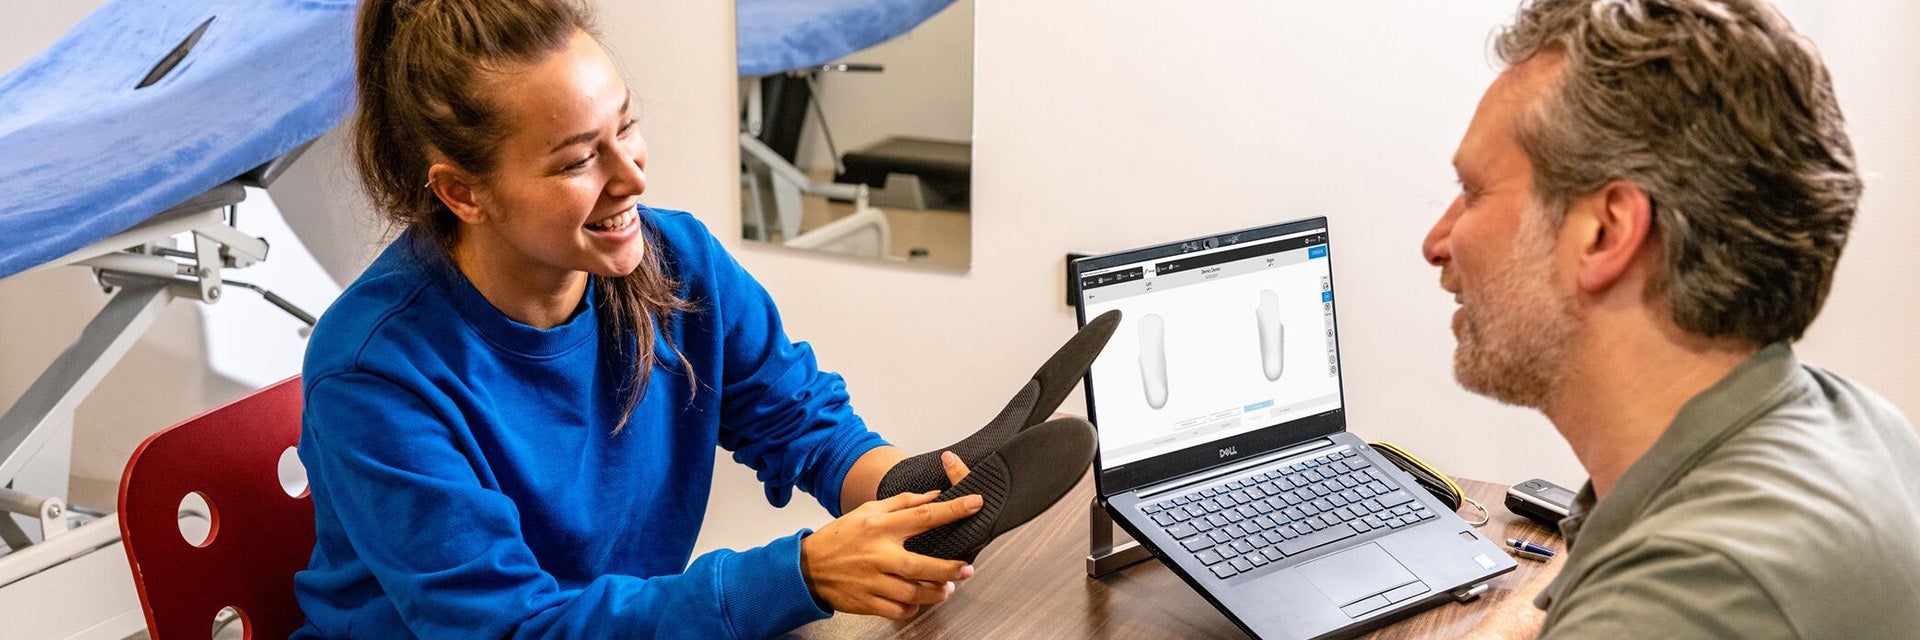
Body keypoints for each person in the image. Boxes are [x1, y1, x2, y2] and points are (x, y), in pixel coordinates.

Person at [290, 1, 1104, 637]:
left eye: (627, 128)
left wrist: (905, 496)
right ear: (461, 191)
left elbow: (800, 421)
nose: (630, 175)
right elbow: (513, 627)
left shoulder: (677, 262)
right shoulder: (376, 375)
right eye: (578, 160)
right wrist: (805, 575)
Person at [1421, 1, 1920, 638]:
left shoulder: (1694, 593)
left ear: (1606, 232)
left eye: (1476, 191)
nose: (1438, 241)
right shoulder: (1854, 424)